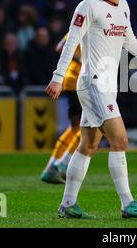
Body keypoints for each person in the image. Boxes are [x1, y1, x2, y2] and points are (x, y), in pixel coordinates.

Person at [45, 0, 137, 219]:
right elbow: (71, 44)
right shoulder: (88, 6)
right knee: (120, 139)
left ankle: (67, 204)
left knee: (88, 145)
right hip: (92, 82)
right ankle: (127, 203)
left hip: (106, 86)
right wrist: (58, 77)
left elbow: (130, 41)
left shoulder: (123, 7)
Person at [40, 34, 82, 184]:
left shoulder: (77, 26)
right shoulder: (90, 25)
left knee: (74, 127)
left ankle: (50, 167)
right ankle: (62, 165)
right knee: (90, 127)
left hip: (71, 80)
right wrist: (81, 59)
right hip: (80, 81)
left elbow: (61, 45)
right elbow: (62, 48)